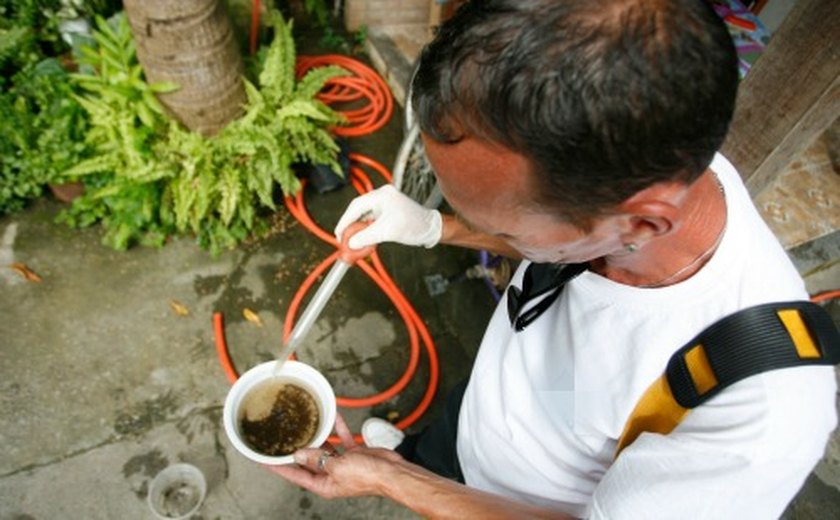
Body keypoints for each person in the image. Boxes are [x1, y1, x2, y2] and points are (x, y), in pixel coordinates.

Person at [268, 0, 837, 517]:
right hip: (492, 405)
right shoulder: (647, 168)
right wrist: (432, 226)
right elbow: (551, 237)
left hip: (509, 500)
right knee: (443, 440)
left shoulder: (759, 416)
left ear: (641, 221)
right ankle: (425, 455)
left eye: (496, 224)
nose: (484, 232)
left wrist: (396, 484)